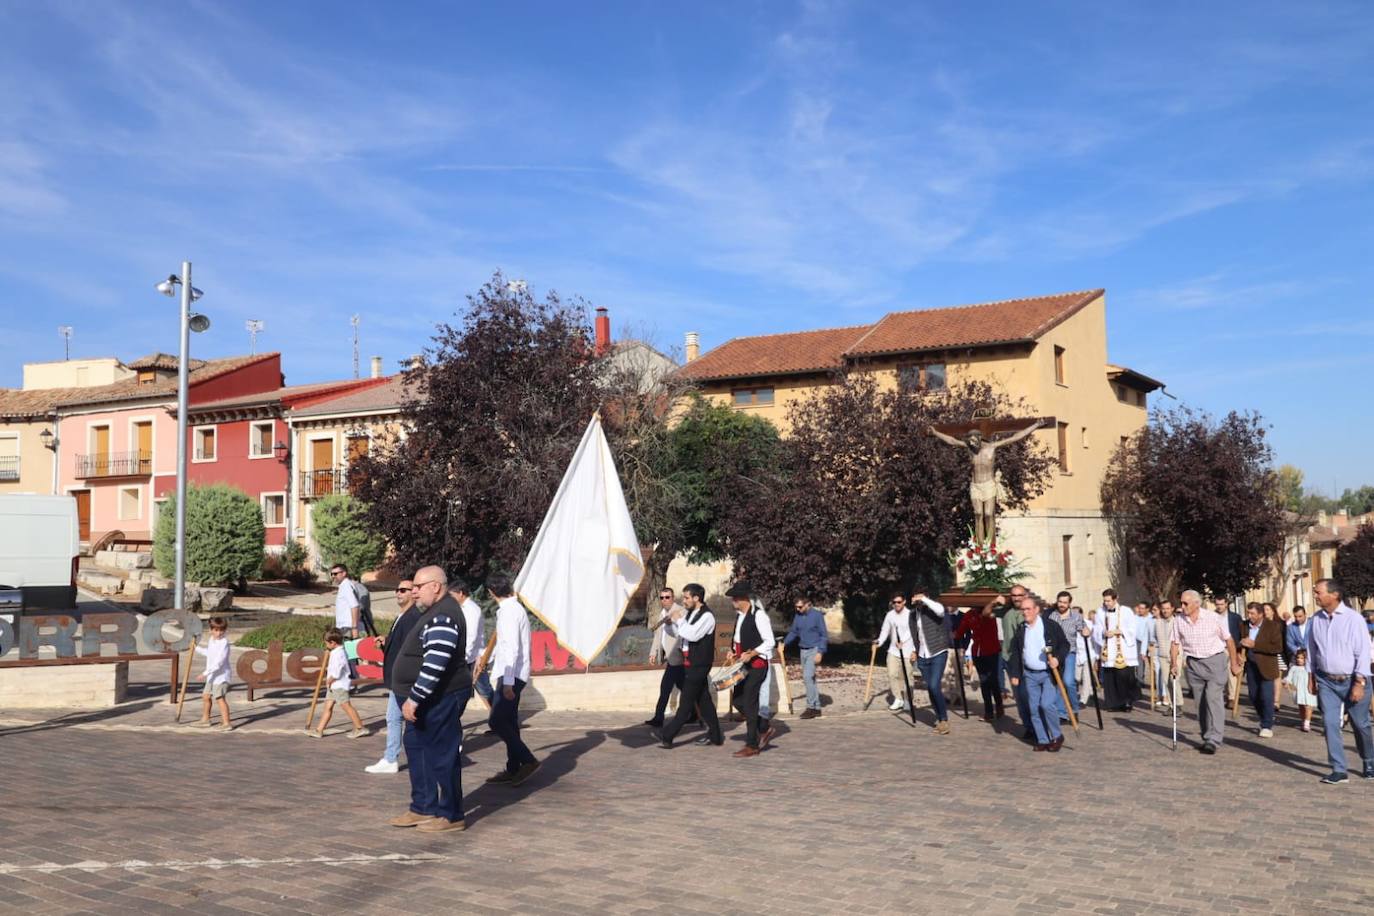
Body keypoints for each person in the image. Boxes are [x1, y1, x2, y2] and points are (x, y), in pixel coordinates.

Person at [391, 565, 473, 832]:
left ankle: (451, 815)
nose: (414, 593)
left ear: (435, 586)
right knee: (416, 745)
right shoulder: (434, 612)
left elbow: (436, 661)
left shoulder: (444, 615)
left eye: (417, 587)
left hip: (441, 696)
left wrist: (414, 698)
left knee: (442, 753)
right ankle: (423, 807)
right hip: (428, 697)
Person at [1307, 578, 1374, 784]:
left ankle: (1369, 761)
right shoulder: (1315, 620)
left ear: (1334, 595)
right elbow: (1311, 649)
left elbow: (1363, 652)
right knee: (1329, 723)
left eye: (1318, 592)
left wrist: (1359, 682)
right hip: (1326, 680)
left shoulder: (1353, 619)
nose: (1315, 596)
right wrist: (1311, 676)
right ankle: (1339, 769)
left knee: (1360, 724)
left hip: (1353, 679)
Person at [1169, 588, 1242, 754]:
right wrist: (1174, 663)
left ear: (1197, 603)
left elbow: (1229, 640)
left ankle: (1215, 739)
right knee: (1200, 701)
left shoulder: (1212, 618)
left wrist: (1234, 663)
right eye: (1181, 602)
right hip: (1194, 663)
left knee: (1213, 697)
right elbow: (1175, 643)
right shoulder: (1179, 620)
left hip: (1215, 661)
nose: (1182, 606)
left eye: (1185, 603)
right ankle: (1207, 736)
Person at [486, 572, 541, 785]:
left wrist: (508, 682)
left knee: (497, 720)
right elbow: (504, 646)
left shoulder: (509, 612)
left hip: (512, 674)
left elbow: (512, 648)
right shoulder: (512, 610)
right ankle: (513, 766)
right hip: (512, 673)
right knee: (509, 721)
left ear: (492, 592)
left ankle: (527, 760)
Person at [656, 583, 724, 749]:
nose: (684, 601)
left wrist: (678, 620)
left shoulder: (707, 616)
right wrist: (670, 624)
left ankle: (668, 735)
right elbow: (680, 634)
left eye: (686, 597)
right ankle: (716, 736)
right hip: (690, 662)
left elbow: (692, 635)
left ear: (696, 598)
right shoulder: (692, 614)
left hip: (699, 664)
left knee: (685, 703)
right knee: (704, 701)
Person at [366, 578, 421, 773]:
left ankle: (396, 758)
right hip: (397, 678)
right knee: (393, 718)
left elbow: (410, 648)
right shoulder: (403, 616)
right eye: (397, 589)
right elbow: (401, 642)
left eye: (403, 590)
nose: (398, 593)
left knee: (409, 719)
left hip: (404, 680)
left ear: (413, 593)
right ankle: (390, 758)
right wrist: (387, 640)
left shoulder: (413, 616)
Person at [1006, 596, 1070, 752]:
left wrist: (1057, 658)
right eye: (1023, 609)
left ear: (1036, 610)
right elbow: (1015, 652)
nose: (1025, 612)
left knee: (1047, 704)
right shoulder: (1022, 629)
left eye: (1028, 609)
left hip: (1048, 673)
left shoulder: (1050, 626)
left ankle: (1056, 736)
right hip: (1029, 674)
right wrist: (1015, 673)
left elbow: (1064, 645)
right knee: (1033, 708)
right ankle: (1042, 739)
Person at [724, 581, 777, 758]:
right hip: (743, 665)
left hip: (757, 665)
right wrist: (732, 652)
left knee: (749, 702)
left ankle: (752, 745)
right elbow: (738, 639)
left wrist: (753, 653)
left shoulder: (759, 616)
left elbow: (770, 641)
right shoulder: (740, 616)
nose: (732, 601)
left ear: (743, 598)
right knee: (738, 701)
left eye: (735, 598)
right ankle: (763, 726)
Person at [310, 627, 367, 740]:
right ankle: (319, 730)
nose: (325, 645)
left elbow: (338, 669)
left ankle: (360, 728)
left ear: (333, 643)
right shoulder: (335, 652)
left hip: (339, 685)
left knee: (346, 706)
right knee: (328, 707)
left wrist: (331, 678)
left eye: (326, 643)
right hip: (333, 686)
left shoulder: (339, 653)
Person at [909, 589, 952, 734]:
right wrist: (914, 651)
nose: (919, 602)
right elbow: (914, 634)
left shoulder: (934, 609)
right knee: (932, 689)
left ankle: (944, 719)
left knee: (934, 685)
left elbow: (941, 611)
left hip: (938, 652)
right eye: (917, 599)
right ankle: (940, 719)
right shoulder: (913, 614)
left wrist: (925, 599)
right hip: (923, 656)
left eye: (921, 599)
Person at [1091, 588, 1140, 712]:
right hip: (1108, 648)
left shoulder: (1126, 611)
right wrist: (1103, 632)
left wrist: (1120, 631)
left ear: (1115, 599)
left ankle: (1127, 701)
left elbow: (1133, 629)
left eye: (1108, 601)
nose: (1106, 603)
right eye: (1105, 601)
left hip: (1123, 649)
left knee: (1124, 675)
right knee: (1110, 676)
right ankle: (1114, 703)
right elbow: (1096, 629)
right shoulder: (1100, 612)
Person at [1240, 601, 1283, 738]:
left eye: (1253, 613)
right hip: (1251, 666)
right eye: (1248, 613)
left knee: (1266, 696)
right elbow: (1239, 642)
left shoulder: (1272, 626)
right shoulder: (1244, 625)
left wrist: (1255, 645)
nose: (1250, 616)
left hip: (1267, 666)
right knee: (1253, 696)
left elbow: (1277, 647)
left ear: (1260, 614)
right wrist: (1240, 647)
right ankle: (1266, 715)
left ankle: (1266, 725)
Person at [645, 587, 687, 727]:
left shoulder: (681, 611)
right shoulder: (662, 613)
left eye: (667, 597)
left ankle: (659, 718)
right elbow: (658, 635)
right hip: (670, 658)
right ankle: (694, 713)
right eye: (662, 598)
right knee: (682, 689)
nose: (664, 600)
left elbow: (683, 634)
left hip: (678, 657)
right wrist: (653, 653)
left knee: (666, 688)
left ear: (673, 598)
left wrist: (672, 625)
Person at [955, 600, 1003, 720]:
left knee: (992, 680)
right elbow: (961, 631)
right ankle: (989, 712)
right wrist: (953, 635)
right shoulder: (969, 615)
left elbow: (987, 613)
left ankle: (999, 704)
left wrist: (992, 603)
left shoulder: (989, 613)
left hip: (991, 650)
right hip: (978, 652)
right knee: (984, 681)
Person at [783, 595, 828, 719]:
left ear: (808, 604)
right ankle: (817, 707)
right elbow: (794, 631)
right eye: (796, 607)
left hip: (814, 649)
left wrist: (820, 652)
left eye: (800, 607)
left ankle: (811, 707)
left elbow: (824, 635)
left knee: (807, 677)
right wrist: (784, 643)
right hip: (802, 650)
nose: (798, 609)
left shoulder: (817, 616)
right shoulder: (798, 616)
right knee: (810, 679)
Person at [449, 579, 492, 707]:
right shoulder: (461, 609)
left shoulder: (472, 610)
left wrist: (464, 658)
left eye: (452, 595)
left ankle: (501, 718)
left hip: (473, 658)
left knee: (485, 690)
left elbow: (471, 637)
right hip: (468, 657)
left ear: (461, 593)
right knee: (472, 690)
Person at [1047, 591, 1086, 723]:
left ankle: (1074, 710)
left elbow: (1084, 629)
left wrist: (1086, 632)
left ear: (1069, 603)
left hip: (1069, 653)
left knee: (1068, 682)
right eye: (1060, 602)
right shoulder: (1051, 615)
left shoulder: (1076, 617)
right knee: (1058, 682)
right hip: (1055, 654)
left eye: (1065, 602)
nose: (1062, 605)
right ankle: (1061, 713)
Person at [189, 616, 232, 731]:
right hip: (212, 676)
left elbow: (219, 662)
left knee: (219, 698)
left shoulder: (224, 643)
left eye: (221, 630)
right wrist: (195, 648)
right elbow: (209, 653)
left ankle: (227, 723)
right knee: (206, 696)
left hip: (221, 676)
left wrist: (205, 673)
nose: (219, 633)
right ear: (211, 630)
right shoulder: (211, 641)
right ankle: (205, 720)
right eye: (216, 630)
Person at [875, 593, 916, 712]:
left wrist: (913, 650)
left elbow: (913, 632)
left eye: (899, 602)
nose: (896, 604)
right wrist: (879, 642)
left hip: (907, 651)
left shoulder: (910, 615)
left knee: (908, 677)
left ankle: (908, 700)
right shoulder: (890, 615)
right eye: (894, 602)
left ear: (904, 602)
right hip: (893, 651)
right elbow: (885, 630)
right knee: (892, 674)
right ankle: (898, 698)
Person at [1151, 600, 1180, 709]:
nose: (1165, 611)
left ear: (1172, 609)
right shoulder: (1157, 622)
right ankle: (1172, 705)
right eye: (1163, 608)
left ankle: (1178, 705)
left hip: (1176, 655)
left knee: (1175, 681)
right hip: (1162, 655)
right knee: (1166, 681)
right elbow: (1154, 637)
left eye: (1167, 608)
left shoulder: (1177, 621)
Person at [1285, 648, 1317, 732]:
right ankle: (1303, 720)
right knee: (1302, 707)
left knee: (1308, 706)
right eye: (1298, 658)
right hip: (1299, 691)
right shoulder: (1294, 668)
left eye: (1302, 658)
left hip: (1308, 691)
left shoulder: (1310, 669)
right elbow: (1289, 678)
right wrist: (1286, 683)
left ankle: (1307, 722)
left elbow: (1316, 678)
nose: (1299, 660)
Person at [331, 563, 361, 639]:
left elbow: (355, 606)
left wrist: (354, 628)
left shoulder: (346, 586)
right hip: (344, 627)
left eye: (335, 574)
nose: (333, 576)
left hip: (347, 628)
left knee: (347, 650)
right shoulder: (344, 586)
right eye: (332, 574)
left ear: (344, 573)